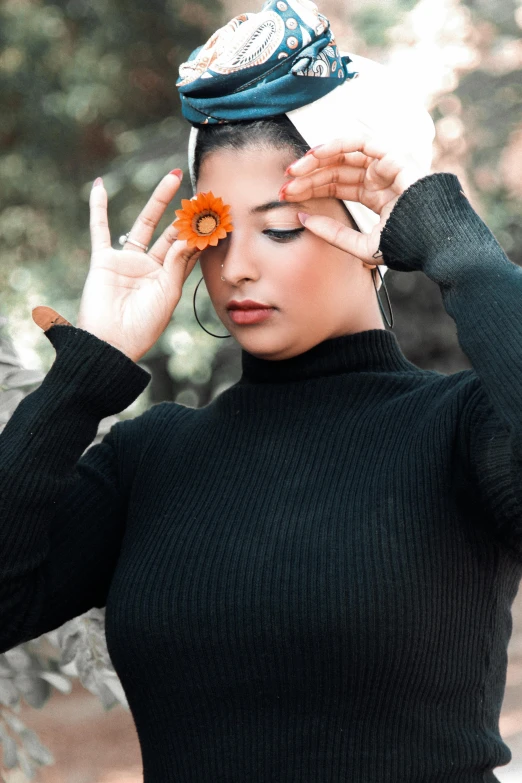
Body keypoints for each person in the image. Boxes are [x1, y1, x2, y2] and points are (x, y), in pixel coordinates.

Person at [1, 1, 521, 781]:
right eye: (215, 229)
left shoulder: (459, 431)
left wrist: (452, 239)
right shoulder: (152, 459)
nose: (237, 265)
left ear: (366, 223)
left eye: (279, 226)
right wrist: (86, 373)